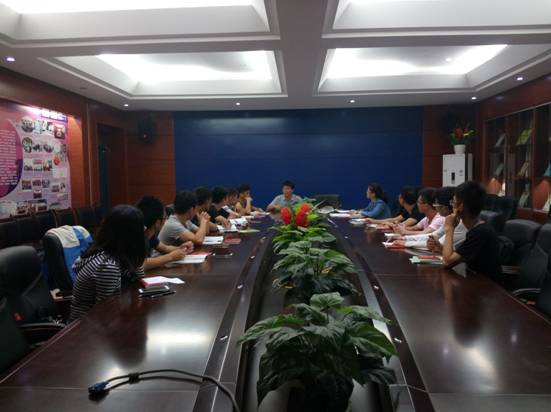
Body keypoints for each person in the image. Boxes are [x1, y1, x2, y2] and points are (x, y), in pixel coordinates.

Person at [69, 205, 146, 321]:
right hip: (86, 327)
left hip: (103, 321)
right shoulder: (107, 266)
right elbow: (107, 313)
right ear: (133, 235)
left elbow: (139, 284)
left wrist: (135, 257)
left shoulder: (116, 255)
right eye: (141, 229)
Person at [442, 181, 501, 280]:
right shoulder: (477, 229)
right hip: (475, 281)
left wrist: (449, 228)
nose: (452, 206)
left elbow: (447, 262)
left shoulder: (480, 232)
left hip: (487, 287)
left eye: (453, 202)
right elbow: (457, 255)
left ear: (460, 206)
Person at [392, 187, 467, 250]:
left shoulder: (460, 223)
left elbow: (439, 244)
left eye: (454, 203)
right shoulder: (449, 219)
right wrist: (405, 238)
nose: (434, 206)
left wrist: (406, 242)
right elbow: (432, 236)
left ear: (445, 207)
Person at [135, 196, 194, 270]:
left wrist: (181, 248)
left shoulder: (150, 233)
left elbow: (165, 248)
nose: (166, 221)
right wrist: (170, 257)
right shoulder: (136, 236)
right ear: (157, 222)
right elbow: (141, 264)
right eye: (165, 218)